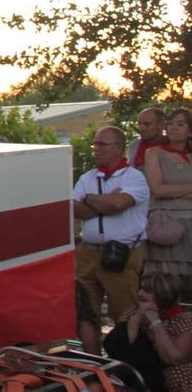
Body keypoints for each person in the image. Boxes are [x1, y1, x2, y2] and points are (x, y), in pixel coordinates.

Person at [75, 125, 150, 351]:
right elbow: (73, 209)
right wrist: (103, 201)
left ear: (119, 148)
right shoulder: (88, 177)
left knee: (124, 312)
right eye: (95, 143)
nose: (96, 148)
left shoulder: (134, 178)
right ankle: (92, 362)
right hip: (87, 252)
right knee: (84, 312)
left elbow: (119, 204)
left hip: (121, 254)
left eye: (102, 144)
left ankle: (125, 364)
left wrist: (91, 200)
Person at [104, 271, 192, 391]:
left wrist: (155, 321)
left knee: (178, 373)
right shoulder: (132, 312)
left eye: (147, 291)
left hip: (171, 375)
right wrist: (137, 319)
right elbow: (117, 348)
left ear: (163, 294)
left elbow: (174, 358)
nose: (140, 293)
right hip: (137, 371)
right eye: (140, 289)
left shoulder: (184, 320)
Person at [144, 108, 192, 293]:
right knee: (164, 285)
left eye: (180, 124)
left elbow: (166, 189)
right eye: (171, 123)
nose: (173, 127)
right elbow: (158, 189)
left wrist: (172, 190)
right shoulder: (154, 153)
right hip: (166, 226)